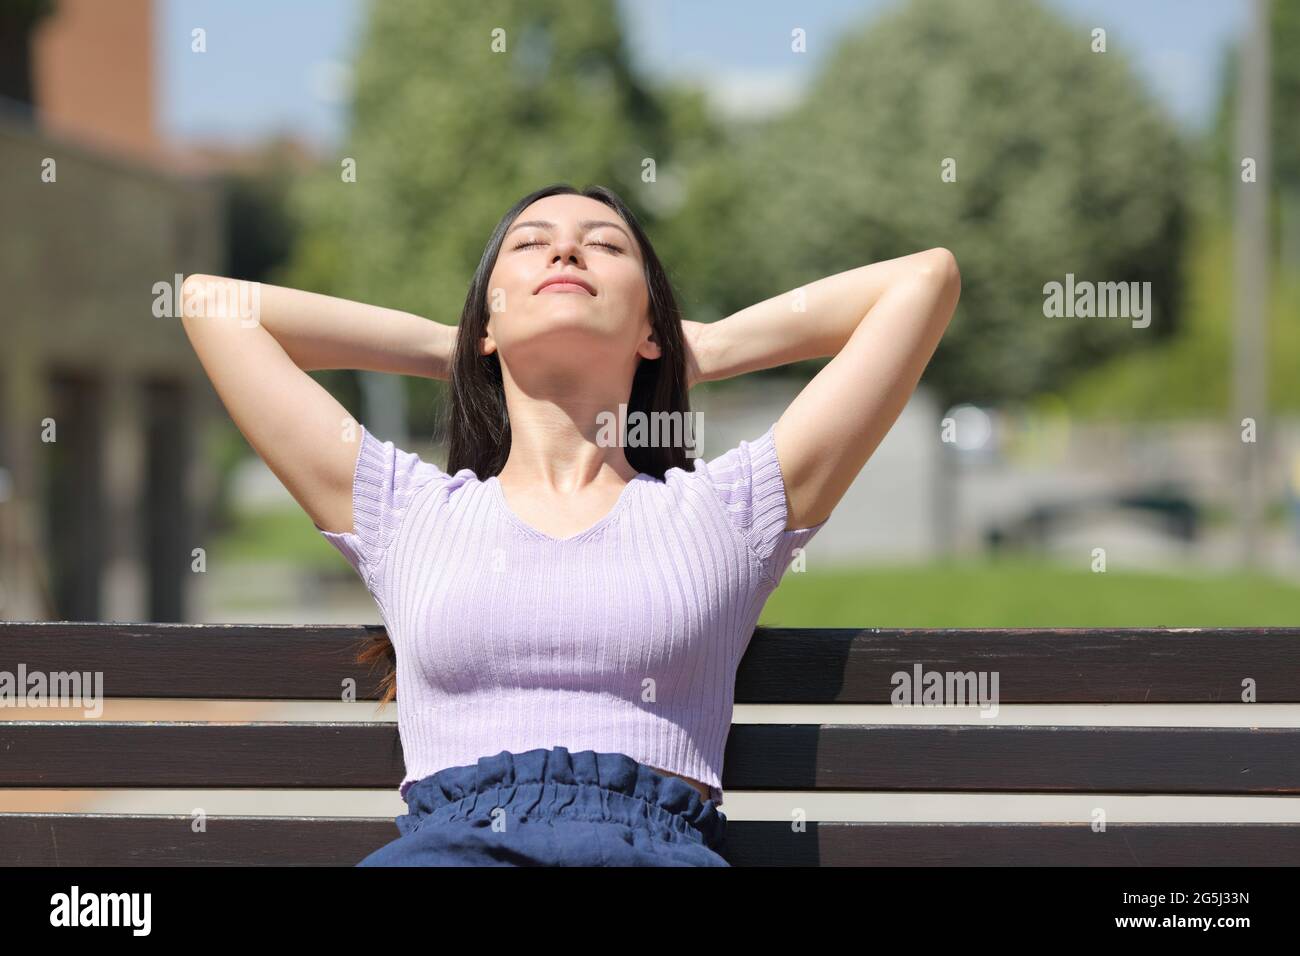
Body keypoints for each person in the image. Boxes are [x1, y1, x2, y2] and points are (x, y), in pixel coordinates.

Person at [179, 182, 960, 865]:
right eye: (531, 245)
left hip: (655, 847)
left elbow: (924, 282)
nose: (566, 254)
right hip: (450, 849)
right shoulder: (406, 513)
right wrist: (457, 348)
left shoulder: (728, 513)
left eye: (605, 246)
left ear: (654, 328)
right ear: (487, 321)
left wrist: (711, 346)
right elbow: (213, 306)